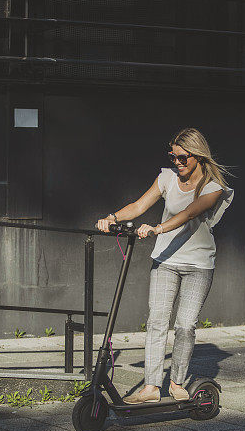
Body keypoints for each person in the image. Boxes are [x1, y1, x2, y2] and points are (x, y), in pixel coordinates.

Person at [95, 127, 234, 404]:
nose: (178, 163)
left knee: (185, 325)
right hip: (165, 261)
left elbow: (188, 213)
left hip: (198, 265)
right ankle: (151, 387)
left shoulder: (213, 187)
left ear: (197, 156)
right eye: (174, 157)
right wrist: (111, 218)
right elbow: (138, 205)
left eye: (184, 158)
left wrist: (158, 228)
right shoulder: (167, 178)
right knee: (157, 321)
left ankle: (178, 381)